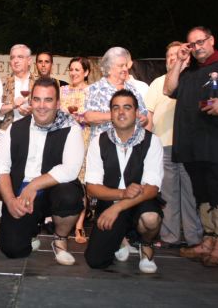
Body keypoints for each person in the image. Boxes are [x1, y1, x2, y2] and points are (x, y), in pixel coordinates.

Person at [164, 26, 218, 267]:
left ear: (211, 40)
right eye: (192, 44)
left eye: (200, 42)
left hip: (217, 142)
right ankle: (207, 241)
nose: (197, 47)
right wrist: (179, 62)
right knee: (200, 191)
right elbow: (168, 89)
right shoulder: (188, 71)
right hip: (190, 143)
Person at [0, 78, 85, 265]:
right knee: (12, 249)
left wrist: (34, 185)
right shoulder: (15, 128)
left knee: (69, 196)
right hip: (22, 193)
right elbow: (1, 166)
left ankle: (60, 239)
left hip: (54, 189)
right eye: (36, 99)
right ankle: (32, 230)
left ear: (58, 104)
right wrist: (11, 200)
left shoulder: (71, 128)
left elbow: (70, 169)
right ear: (31, 102)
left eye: (48, 100)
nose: (42, 106)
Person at [84, 89, 164, 273]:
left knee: (151, 219)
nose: (121, 112)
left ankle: (146, 244)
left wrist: (118, 207)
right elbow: (92, 187)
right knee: (95, 261)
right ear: (110, 113)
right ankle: (121, 240)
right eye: (116, 108)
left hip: (141, 202)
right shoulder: (98, 141)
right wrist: (120, 195)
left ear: (136, 113)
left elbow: (152, 189)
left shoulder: (152, 141)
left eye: (127, 107)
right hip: (111, 201)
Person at [84, 47, 148, 258]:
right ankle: (119, 240)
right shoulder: (96, 88)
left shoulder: (133, 90)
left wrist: (142, 120)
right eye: (121, 66)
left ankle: (125, 238)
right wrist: (117, 117)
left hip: (132, 151)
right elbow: (89, 116)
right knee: (109, 192)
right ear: (109, 68)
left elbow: (145, 115)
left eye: (126, 65)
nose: (125, 70)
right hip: (106, 152)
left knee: (129, 191)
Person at [144, 42, 202, 249]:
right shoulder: (158, 83)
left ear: (187, 57)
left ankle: (194, 237)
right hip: (163, 146)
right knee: (167, 194)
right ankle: (169, 237)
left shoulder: (196, 79)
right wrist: (147, 146)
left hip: (189, 147)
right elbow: (148, 116)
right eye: (169, 56)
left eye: (177, 55)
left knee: (191, 193)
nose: (172, 59)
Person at [59, 57, 91, 243]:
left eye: (77, 70)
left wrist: (82, 118)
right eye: (71, 69)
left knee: (81, 183)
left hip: (84, 138)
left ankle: (79, 226)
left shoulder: (91, 91)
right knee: (63, 180)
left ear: (86, 72)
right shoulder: (62, 91)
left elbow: (95, 116)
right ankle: (63, 222)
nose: (73, 73)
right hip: (64, 139)